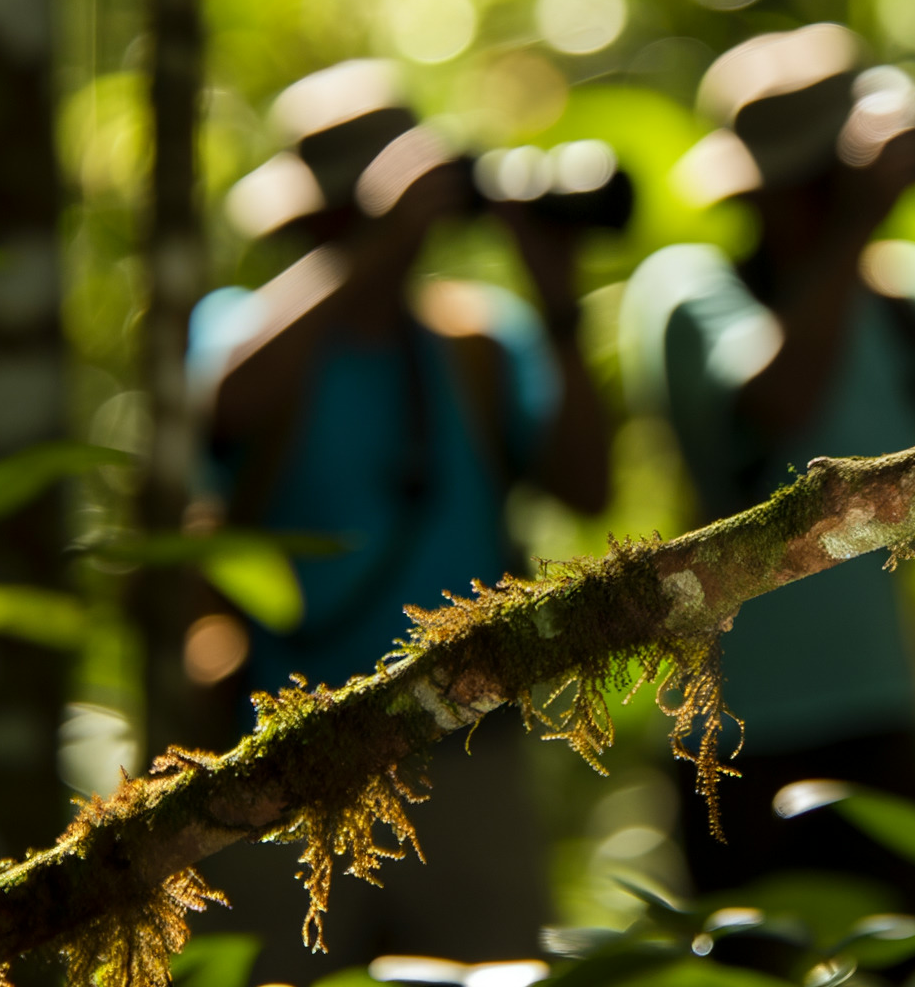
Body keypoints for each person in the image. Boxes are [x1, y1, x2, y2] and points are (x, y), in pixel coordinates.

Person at [620, 26, 915, 921]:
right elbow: (772, 403)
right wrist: (854, 230)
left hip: (883, 709)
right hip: (733, 733)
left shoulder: (907, 293)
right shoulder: (688, 289)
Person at [186, 59, 610, 983]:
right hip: (285, 755)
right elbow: (228, 400)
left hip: (465, 751)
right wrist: (376, 247)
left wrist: (561, 306)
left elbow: (588, 486)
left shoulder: (477, 342)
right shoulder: (242, 329)